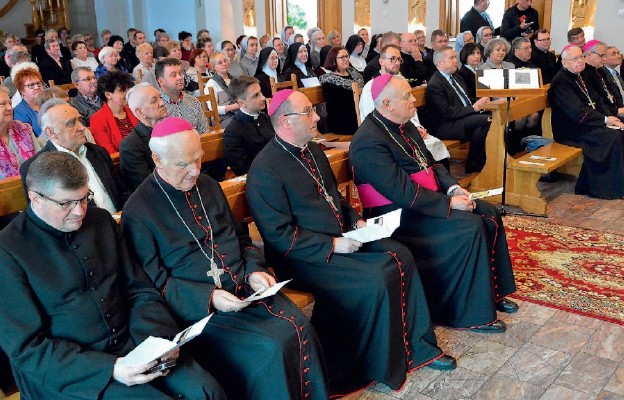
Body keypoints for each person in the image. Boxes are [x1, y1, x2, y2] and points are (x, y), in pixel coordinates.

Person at [246, 89, 456, 396]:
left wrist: (355, 219)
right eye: (309, 113)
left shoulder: (313, 150)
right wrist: (331, 245)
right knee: (375, 277)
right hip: (304, 257)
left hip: (344, 237)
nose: (317, 116)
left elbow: (334, 200)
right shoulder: (265, 170)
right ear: (287, 121)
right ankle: (379, 364)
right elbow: (279, 236)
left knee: (401, 254)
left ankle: (417, 348)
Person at [122, 116, 329, 399]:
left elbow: (242, 238)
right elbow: (154, 283)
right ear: (157, 159)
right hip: (198, 312)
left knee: (301, 328)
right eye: (183, 164)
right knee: (272, 346)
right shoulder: (139, 210)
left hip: (245, 288)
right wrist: (209, 297)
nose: (195, 171)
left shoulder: (208, 186)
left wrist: (254, 270)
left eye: (198, 159)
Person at [3, 151, 225, 399]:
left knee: (206, 391)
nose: (80, 212)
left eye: (84, 198)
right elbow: (28, 350)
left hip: (135, 341)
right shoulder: (8, 251)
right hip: (76, 373)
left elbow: (139, 289)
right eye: (66, 203)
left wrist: (157, 341)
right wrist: (111, 368)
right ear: (35, 198)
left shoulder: (100, 221)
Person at [350, 75, 517, 334]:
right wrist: (448, 204)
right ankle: (468, 313)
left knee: (488, 213)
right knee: (469, 227)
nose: (414, 99)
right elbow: (401, 191)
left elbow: (433, 165)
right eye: (407, 96)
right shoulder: (368, 140)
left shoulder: (406, 126)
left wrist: (453, 187)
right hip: (396, 214)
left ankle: (492, 293)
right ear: (386, 103)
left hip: (422, 204)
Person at [21, 98, 125, 213]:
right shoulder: (36, 168)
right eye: (71, 123)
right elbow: (45, 216)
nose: (82, 128)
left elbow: (122, 191)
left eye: (80, 120)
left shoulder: (98, 152)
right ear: (51, 132)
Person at [549, 44, 624, 199]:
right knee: (611, 136)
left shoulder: (580, 75)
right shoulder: (561, 82)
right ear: (564, 62)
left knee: (619, 131)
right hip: (570, 129)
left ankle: (615, 183)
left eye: (581, 57)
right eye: (575, 59)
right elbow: (576, 112)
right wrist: (604, 120)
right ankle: (604, 188)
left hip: (586, 123)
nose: (580, 61)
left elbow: (596, 99)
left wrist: (611, 117)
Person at [359, 45, 451, 168]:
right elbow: (369, 116)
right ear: (381, 61)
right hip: (386, 135)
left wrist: (417, 127)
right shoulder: (371, 87)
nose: (396, 63)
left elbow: (410, 108)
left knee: (436, 146)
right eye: (392, 59)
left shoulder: (401, 82)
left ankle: (440, 183)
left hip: (408, 129)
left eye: (399, 59)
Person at [423, 46, 491, 173]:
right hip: (447, 124)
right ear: (440, 63)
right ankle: (474, 164)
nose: (456, 61)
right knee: (488, 121)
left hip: (464, 117)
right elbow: (447, 112)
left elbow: (466, 99)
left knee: (493, 118)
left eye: (455, 57)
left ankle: (481, 162)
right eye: (451, 58)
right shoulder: (435, 84)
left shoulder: (457, 77)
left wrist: (481, 103)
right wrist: (473, 108)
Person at [120, 83, 168, 192]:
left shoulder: (174, 130)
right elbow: (148, 187)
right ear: (140, 112)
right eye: (154, 100)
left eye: (160, 97)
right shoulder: (130, 146)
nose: (162, 103)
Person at [223, 76, 275, 176]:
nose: (263, 97)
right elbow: (242, 169)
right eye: (256, 95)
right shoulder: (233, 132)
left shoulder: (266, 118)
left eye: (260, 92)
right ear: (241, 103)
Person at [319, 46, 364, 135]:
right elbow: (338, 106)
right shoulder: (329, 81)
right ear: (333, 60)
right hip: (341, 121)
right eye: (341, 57)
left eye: (347, 56)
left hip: (358, 115)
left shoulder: (355, 74)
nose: (346, 59)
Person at [90, 71, 138, 153]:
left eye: (128, 89)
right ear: (108, 95)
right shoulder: (97, 120)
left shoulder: (133, 110)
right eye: (122, 90)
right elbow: (109, 152)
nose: (127, 94)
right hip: (122, 162)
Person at [156, 58, 209, 133]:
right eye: (173, 75)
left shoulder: (193, 101)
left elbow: (204, 130)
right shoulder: (156, 106)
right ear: (161, 81)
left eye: (181, 73)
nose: (180, 78)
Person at [0, 86, 35, 179]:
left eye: (10, 103)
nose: (10, 108)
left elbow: (42, 161)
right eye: (3, 104)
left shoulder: (24, 129)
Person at [583, 40, 624, 115]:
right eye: (602, 55)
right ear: (589, 54)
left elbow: (612, 93)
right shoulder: (583, 74)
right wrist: (616, 112)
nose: (604, 59)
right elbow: (597, 102)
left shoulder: (600, 71)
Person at [205, 52, 239, 128]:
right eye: (220, 63)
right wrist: (235, 106)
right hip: (221, 118)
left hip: (238, 113)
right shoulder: (211, 84)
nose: (224, 64)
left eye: (225, 61)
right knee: (240, 123)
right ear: (214, 67)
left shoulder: (235, 79)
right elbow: (213, 109)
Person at [13, 67, 44, 137]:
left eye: (38, 83)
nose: (37, 87)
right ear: (21, 90)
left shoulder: (47, 102)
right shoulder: (19, 111)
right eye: (31, 85)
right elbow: (28, 139)